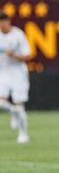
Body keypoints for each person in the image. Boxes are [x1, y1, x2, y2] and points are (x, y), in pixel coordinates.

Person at [0, 11, 31, 143]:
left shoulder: (18, 35)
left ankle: (23, 134)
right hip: (3, 72)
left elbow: (28, 56)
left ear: (9, 22)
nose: (2, 25)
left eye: (3, 22)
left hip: (18, 73)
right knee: (1, 102)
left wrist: (14, 55)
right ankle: (13, 111)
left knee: (19, 104)